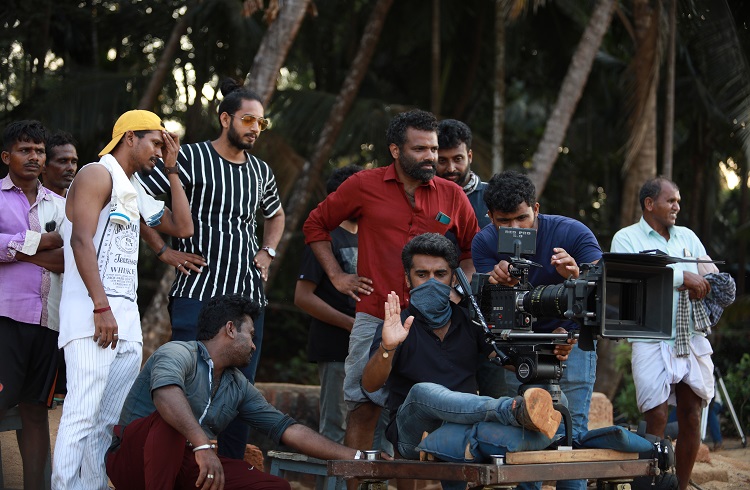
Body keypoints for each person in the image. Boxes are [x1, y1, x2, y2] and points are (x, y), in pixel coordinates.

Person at [303, 109, 479, 455]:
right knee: (362, 409)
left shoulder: (452, 194)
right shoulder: (363, 185)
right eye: (420, 149)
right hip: (374, 314)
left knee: (419, 419)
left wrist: (458, 292)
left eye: (433, 149)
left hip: (433, 324)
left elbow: (473, 251)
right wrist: (337, 276)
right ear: (395, 150)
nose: (430, 157)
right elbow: (316, 224)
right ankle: (358, 479)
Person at [137, 78, 284, 459]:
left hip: (246, 298)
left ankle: (231, 471)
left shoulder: (261, 171)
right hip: (197, 294)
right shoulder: (189, 157)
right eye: (248, 119)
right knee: (187, 386)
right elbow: (132, 196)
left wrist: (268, 251)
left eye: (261, 123)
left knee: (238, 391)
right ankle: (175, 467)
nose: (255, 128)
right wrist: (162, 251)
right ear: (225, 118)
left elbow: (276, 214)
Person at [52, 110, 194, 489]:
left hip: (126, 321)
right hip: (92, 313)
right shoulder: (96, 174)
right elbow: (80, 240)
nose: (159, 151)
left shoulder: (134, 188)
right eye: (155, 143)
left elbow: (183, 227)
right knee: (81, 414)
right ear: (130, 137)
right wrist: (101, 307)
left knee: (107, 421)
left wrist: (173, 169)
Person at [361, 233, 572, 490]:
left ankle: (514, 426)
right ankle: (511, 410)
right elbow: (370, 384)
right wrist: (388, 347)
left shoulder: (470, 320)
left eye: (440, 274)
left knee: (553, 397)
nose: (431, 282)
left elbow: (508, 360)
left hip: (462, 429)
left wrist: (551, 347)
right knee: (423, 391)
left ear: (453, 278)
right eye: (422, 274)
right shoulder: (397, 325)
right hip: (414, 433)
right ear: (408, 279)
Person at [106, 294, 361, 490]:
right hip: (134, 461)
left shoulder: (238, 384)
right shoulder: (178, 352)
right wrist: (203, 445)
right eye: (250, 335)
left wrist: (357, 457)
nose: (253, 345)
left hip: (187, 464)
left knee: (273, 487)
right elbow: (166, 395)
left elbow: (287, 429)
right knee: (170, 423)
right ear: (230, 329)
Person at [472, 170, 602, 490]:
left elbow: (604, 294)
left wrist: (577, 277)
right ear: (490, 217)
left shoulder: (572, 233)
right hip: (520, 345)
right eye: (504, 221)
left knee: (573, 431)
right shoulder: (484, 242)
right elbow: (486, 312)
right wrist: (495, 284)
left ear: (536, 209)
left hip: (571, 341)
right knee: (525, 429)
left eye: (522, 218)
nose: (515, 228)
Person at [611, 177, 713, 490]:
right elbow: (628, 274)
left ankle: (680, 486)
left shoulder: (688, 236)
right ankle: (651, 485)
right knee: (655, 414)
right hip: (648, 337)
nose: (677, 206)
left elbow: (710, 274)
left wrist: (708, 283)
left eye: (678, 201)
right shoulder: (626, 238)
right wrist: (683, 277)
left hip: (690, 335)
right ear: (649, 203)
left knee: (692, 413)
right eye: (671, 200)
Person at [0, 120, 64, 490]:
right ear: (6, 156)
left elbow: (68, 259)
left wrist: (18, 249)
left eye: (39, 151)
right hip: (6, 318)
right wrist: (42, 241)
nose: (34, 157)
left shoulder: (61, 204)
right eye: (25, 150)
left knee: (36, 413)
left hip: (48, 321)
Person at [294, 164, 363, 443]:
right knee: (335, 428)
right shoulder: (324, 238)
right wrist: (349, 323)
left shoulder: (373, 236)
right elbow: (302, 297)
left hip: (372, 346)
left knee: (376, 428)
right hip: (336, 347)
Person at [436, 119, 490, 229]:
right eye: (442, 160)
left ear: (470, 156)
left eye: (458, 159)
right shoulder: (422, 197)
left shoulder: (493, 196)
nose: (451, 169)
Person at [41, 130, 78, 197]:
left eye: (74, 162)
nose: (71, 168)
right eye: (63, 161)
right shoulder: (30, 200)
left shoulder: (82, 201)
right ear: (43, 165)